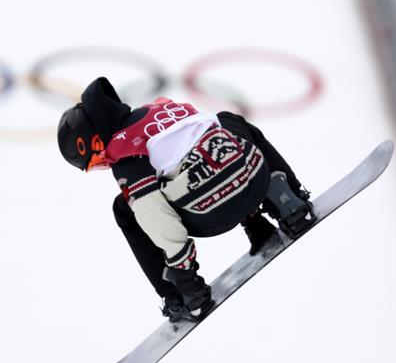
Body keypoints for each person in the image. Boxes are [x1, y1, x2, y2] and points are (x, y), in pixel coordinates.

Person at [57, 77, 313, 323]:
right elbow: (211, 134)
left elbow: (152, 213)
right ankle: (287, 202)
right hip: (254, 178)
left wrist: (184, 273)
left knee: (126, 208)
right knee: (227, 123)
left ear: (95, 140)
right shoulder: (161, 107)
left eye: (98, 161)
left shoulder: (123, 153)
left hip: (212, 213)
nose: (106, 164)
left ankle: (179, 294)